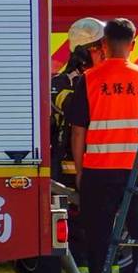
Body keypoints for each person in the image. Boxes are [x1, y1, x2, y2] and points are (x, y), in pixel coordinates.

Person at [67, 18, 138, 273]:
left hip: (99, 169)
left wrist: (80, 171)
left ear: (104, 45)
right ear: (133, 45)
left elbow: (78, 130)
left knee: (99, 234)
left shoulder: (89, 79)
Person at [50, 17, 105, 183]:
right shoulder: (60, 84)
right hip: (68, 172)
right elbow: (77, 108)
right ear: (83, 54)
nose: (105, 53)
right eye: (99, 49)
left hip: (101, 168)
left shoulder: (104, 79)